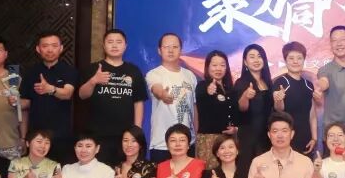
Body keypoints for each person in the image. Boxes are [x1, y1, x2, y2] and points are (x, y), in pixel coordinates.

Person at [77, 29, 148, 167]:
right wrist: (94, 81)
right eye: (110, 42)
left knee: (122, 171)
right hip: (98, 134)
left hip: (125, 136)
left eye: (119, 42)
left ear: (125, 46)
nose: (114, 45)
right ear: (103, 46)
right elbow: (82, 95)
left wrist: (136, 131)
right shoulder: (93, 69)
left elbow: (138, 102)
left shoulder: (133, 71)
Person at [22, 31, 78, 164]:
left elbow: (67, 94)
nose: (50, 50)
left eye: (54, 45)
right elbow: (25, 106)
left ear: (61, 48)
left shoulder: (69, 71)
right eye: (45, 46)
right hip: (36, 135)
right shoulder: (31, 72)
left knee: (58, 172)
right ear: (38, 49)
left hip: (61, 136)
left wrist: (50, 89)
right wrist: (14, 101)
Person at [145, 32, 197, 163]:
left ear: (181, 50)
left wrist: (196, 134)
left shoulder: (190, 76)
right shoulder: (154, 74)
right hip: (162, 144)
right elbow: (156, 89)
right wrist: (163, 95)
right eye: (166, 47)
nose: (171, 50)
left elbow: (194, 107)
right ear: (159, 50)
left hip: (188, 143)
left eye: (175, 47)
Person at [271, 41, 317, 157]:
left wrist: (314, 137)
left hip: (306, 138)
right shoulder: (281, 82)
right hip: (286, 139)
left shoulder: (309, 84)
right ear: (285, 61)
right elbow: (279, 110)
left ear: (304, 60)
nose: (295, 61)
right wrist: (279, 99)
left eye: (299, 58)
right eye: (291, 58)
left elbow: (312, 113)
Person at [193, 50, 238, 168]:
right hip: (209, 140)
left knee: (229, 174)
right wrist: (209, 91)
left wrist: (235, 128)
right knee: (210, 175)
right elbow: (202, 95)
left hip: (229, 140)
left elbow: (236, 114)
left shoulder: (230, 89)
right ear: (207, 67)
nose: (218, 68)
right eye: (214, 65)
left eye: (222, 65)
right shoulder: (202, 85)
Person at [236, 43, 274, 175]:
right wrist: (245, 96)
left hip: (267, 135)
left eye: (259, 56)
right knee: (249, 172)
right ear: (245, 62)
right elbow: (241, 108)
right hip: (249, 136)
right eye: (252, 57)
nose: (256, 60)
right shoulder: (241, 82)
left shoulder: (268, 82)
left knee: (267, 174)